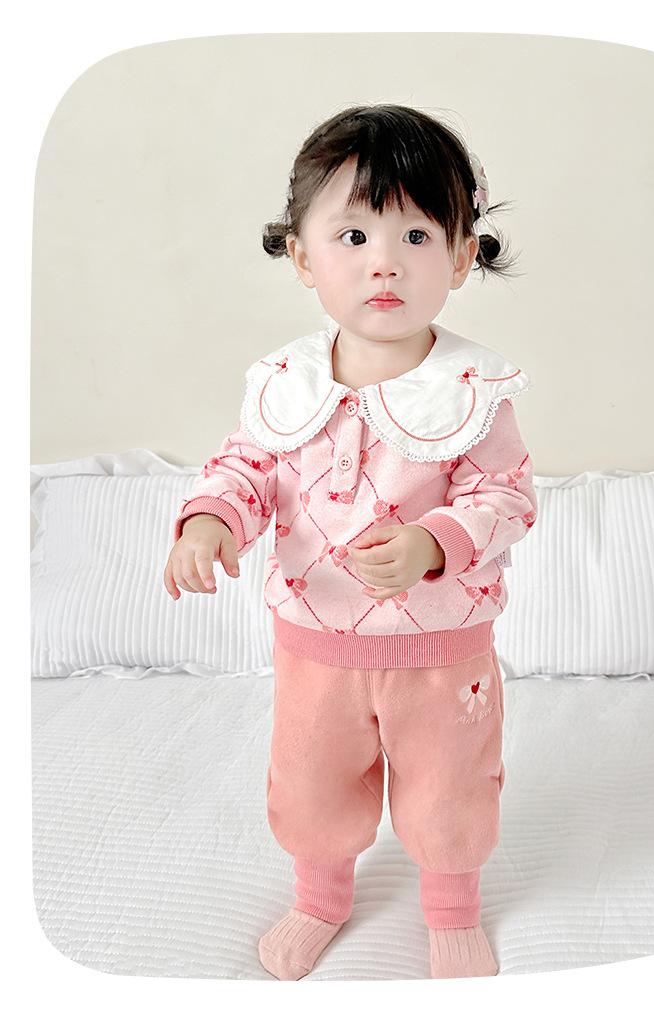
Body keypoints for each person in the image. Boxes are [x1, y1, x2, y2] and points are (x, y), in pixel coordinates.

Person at [163, 103, 538, 981]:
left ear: (461, 255)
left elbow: (507, 497)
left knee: (449, 787)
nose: (384, 261)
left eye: (417, 235)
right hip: (315, 646)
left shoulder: (471, 390)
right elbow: (247, 466)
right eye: (355, 234)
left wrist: (434, 543)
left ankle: (452, 907)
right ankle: (321, 895)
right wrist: (211, 520)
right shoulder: (286, 384)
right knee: (310, 782)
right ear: (302, 256)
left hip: (441, 651)